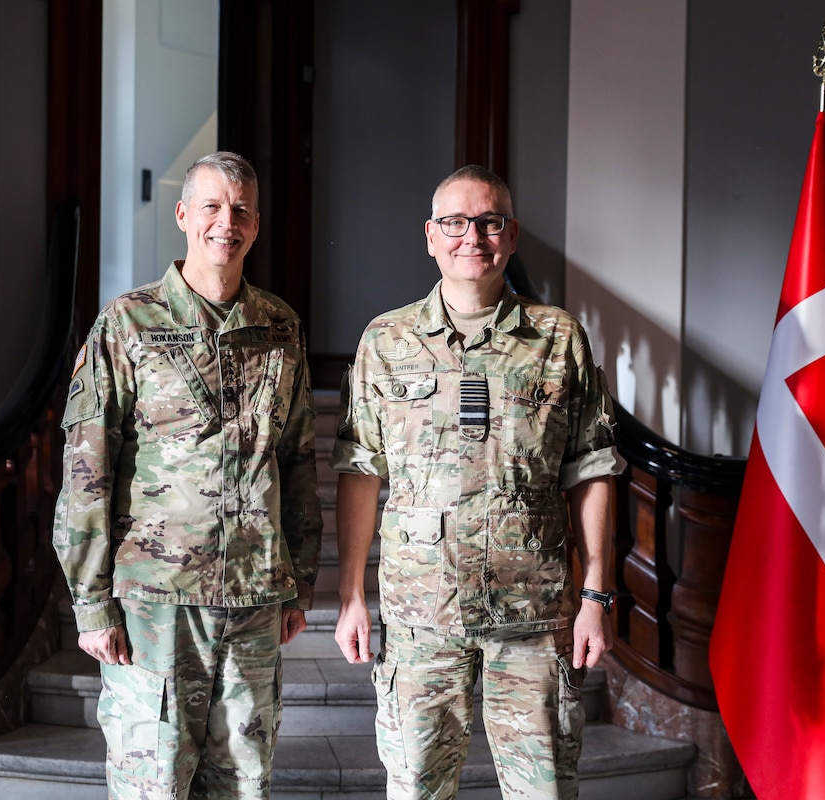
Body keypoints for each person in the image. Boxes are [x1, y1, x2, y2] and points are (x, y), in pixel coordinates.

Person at [331, 164, 624, 800]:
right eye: (457, 223)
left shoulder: (557, 338)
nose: (474, 237)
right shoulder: (387, 340)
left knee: (543, 791)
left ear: (511, 235)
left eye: (490, 223)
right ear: (431, 235)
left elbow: (592, 468)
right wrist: (351, 593)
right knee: (416, 791)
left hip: (534, 616)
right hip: (420, 618)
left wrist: (596, 593)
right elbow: (361, 470)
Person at [53, 151, 323, 799]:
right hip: (157, 601)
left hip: (256, 596)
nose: (225, 222)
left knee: (245, 785)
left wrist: (300, 584)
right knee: (155, 783)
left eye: (240, 210)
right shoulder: (127, 323)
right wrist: (92, 604)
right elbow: (86, 467)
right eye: (210, 206)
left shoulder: (279, 327)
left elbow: (298, 459)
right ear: (182, 216)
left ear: (255, 226)